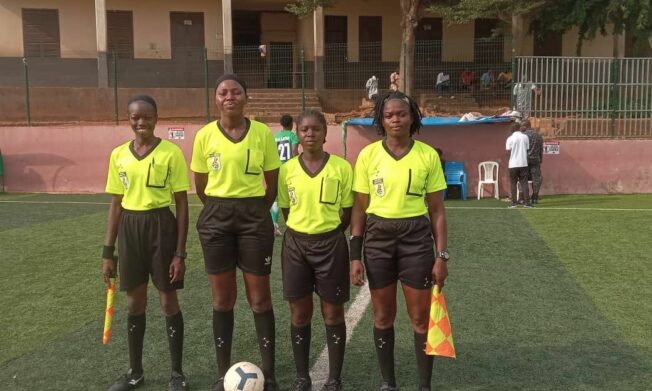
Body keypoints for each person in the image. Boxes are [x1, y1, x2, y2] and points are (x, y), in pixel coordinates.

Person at [350, 91, 449, 391]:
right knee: (383, 316)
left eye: (401, 114)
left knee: (420, 318)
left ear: (412, 117)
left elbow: (437, 211)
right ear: (381, 119)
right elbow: (359, 208)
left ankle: (424, 386)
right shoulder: (368, 155)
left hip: (415, 240)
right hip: (378, 240)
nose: (396, 118)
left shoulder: (427, 155)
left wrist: (441, 256)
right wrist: (355, 254)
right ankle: (388, 384)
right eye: (389, 114)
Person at [191, 74, 281, 391]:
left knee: (259, 298)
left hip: (254, 216)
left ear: (246, 97)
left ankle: (268, 374)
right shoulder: (204, 136)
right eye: (223, 92)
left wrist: (254, 210)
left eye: (236, 91)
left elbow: (272, 182)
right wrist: (221, 206)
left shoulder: (262, 135)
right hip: (216, 216)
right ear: (216, 99)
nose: (229, 96)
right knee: (223, 299)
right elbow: (200, 186)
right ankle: (221, 373)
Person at [103, 95, 190, 391]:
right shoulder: (118, 155)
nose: (141, 122)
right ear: (128, 119)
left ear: (156, 118)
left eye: (147, 117)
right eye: (135, 117)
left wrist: (179, 252)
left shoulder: (171, 153)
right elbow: (116, 204)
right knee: (135, 301)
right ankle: (135, 372)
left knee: (168, 300)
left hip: (161, 228)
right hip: (130, 229)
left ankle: (177, 374)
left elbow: (181, 203)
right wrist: (108, 252)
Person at [278, 109, 353, 391]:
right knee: (299, 313)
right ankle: (302, 377)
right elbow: (286, 209)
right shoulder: (287, 170)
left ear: (325, 133)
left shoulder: (342, 168)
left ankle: (334, 378)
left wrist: (328, 230)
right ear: (297, 134)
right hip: (296, 245)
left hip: (331, 244)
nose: (310, 134)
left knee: (333, 313)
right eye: (304, 129)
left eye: (315, 129)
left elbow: (347, 211)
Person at [271, 114, 300, 236]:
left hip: (277, 169)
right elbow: (294, 151)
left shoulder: (275, 137)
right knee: (293, 194)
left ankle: (274, 225)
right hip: (289, 169)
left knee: (276, 197)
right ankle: (295, 223)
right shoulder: (293, 136)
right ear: (292, 124)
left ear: (281, 124)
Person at [506, 122, 532, 208]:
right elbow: (527, 149)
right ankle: (527, 203)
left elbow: (508, 151)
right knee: (524, 183)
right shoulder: (525, 137)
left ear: (512, 129)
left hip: (513, 164)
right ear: (519, 128)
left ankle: (514, 203)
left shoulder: (510, 138)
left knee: (513, 184)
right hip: (523, 163)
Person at [522, 120, 544, 203]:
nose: (521, 128)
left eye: (522, 126)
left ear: (525, 126)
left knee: (523, 178)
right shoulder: (538, 135)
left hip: (525, 160)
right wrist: (540, 159)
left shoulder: (523, 136)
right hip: (535, 160)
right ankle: (535, 196)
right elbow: (541, 149)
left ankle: (523, 196)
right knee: (536, 178)